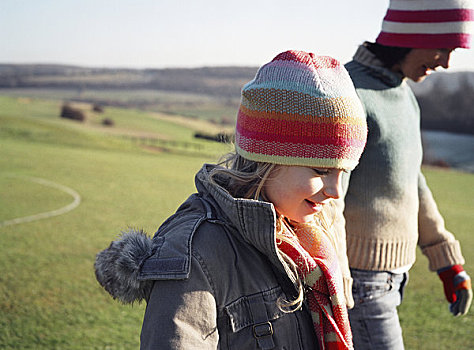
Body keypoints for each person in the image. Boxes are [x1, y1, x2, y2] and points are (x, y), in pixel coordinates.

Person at [94, 50, 368, 350]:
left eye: (343, 173)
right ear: (268, 160)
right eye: (321, 170)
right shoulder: (198, 252)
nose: (336, 192)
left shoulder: (309, 236)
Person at [338, 1, 474, 349]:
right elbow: (327, 202)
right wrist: (335, 279)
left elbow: (413, 181)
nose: (445, 63)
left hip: (395, 279)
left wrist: (446, 260)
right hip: (358, 284)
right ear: (411, 36)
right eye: (443, 48)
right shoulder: (349, 94)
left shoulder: (404, 96)